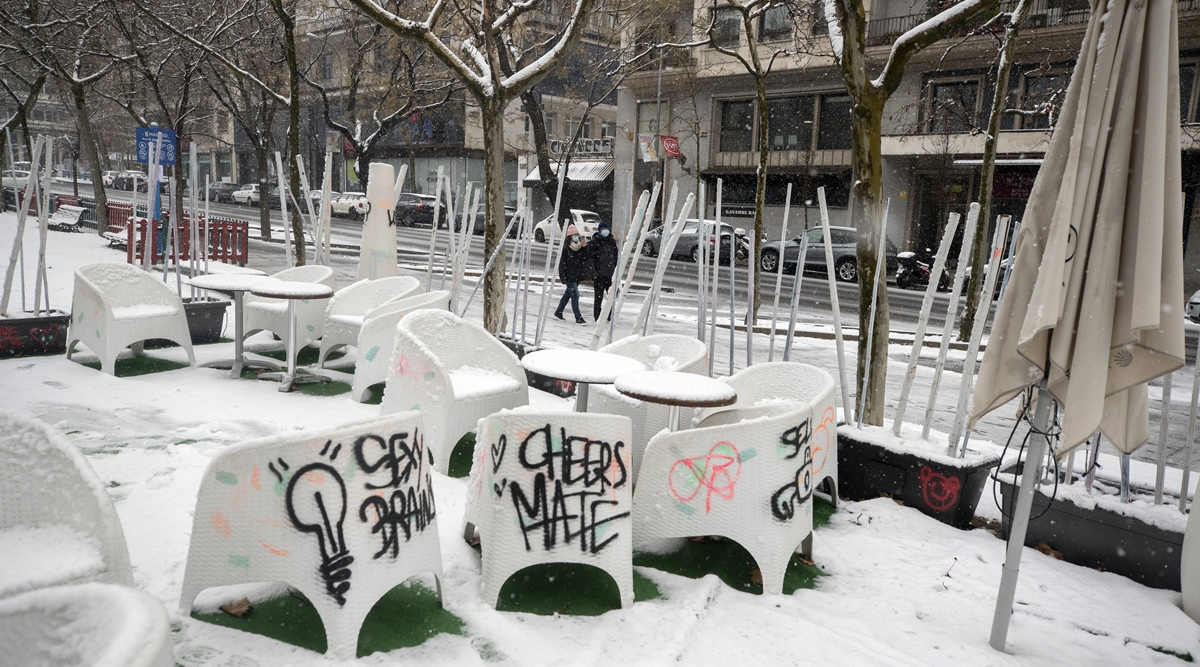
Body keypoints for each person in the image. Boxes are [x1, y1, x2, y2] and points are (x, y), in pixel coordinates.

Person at [554, 223, 592, 324]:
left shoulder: (580, 247)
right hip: (569, 276)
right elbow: (562, 264)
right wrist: (563, 276)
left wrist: (584, 247)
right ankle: (578, 317)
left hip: (577, 275)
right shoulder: (566, 248)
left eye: (577, 235)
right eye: (574, 235)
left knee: (568, 294)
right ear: (570, 236)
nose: (576, 237)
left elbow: (586, 258)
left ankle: (559, 311)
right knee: (575, 295)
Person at [589, 220, 618, 320]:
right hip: (599, 274)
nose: (605, 231)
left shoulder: (611, 241)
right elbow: (590, 258)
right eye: (603, 229)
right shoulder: (595, 242)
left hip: (610, 274)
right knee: (598, 297)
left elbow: (615, 256)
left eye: (606, 229)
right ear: (600, 230)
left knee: (611, 296)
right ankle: (597, 316)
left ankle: (609, 315)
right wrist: (594, 272)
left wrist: (615, 268)